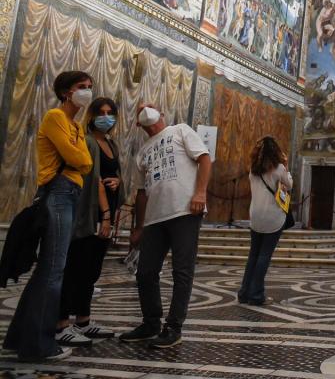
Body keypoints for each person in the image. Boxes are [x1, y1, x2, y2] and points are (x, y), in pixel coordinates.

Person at [4, 71, 94, 362]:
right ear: (67, 91)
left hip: (69, 194)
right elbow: (78, 159)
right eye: (82, 87)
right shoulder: (55, 117)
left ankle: (21, 338)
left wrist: (80, 159)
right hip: (58, 192)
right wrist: (79, 159)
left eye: (90, 87)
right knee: (54, 271)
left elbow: (86, 163)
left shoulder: (76, 125)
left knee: (48, 270)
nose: (87, 92)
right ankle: (39, 345)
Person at [120, 104, 212, 349]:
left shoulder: (180, 130)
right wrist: (138, 227)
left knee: (182, 271)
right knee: (145, 272)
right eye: (142, 110)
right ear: (138, 125)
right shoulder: (142, 152)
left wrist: (200, 193)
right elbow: (141, 192)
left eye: (151, 108)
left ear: (162, 114)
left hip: (185, 211)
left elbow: (204, 159)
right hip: (154, 218)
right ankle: (151, 323)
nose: (146, 110)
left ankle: (173, 327)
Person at [57, 97, 124, 346]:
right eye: (101, 112)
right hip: (90, 214)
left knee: (91, 271)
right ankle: (61, 322)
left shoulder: (111, 144)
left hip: (105, 212)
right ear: (92, 115)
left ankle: (83, 321)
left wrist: (119, 183)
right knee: (75, 268)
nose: (106, 117)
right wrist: (105, 215)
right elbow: (93, 179)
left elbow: (113, 174)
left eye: (110, 113)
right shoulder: (86, 141)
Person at [238, 136, 293, 306]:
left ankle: (244, 292)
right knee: (264, 255)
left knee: (253, 255)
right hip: (273, 216)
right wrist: (286, 167)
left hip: (255, 215)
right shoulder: (279, 168)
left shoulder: (253, 170)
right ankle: (256, 295)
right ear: (276, 151)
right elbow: (289, 185)